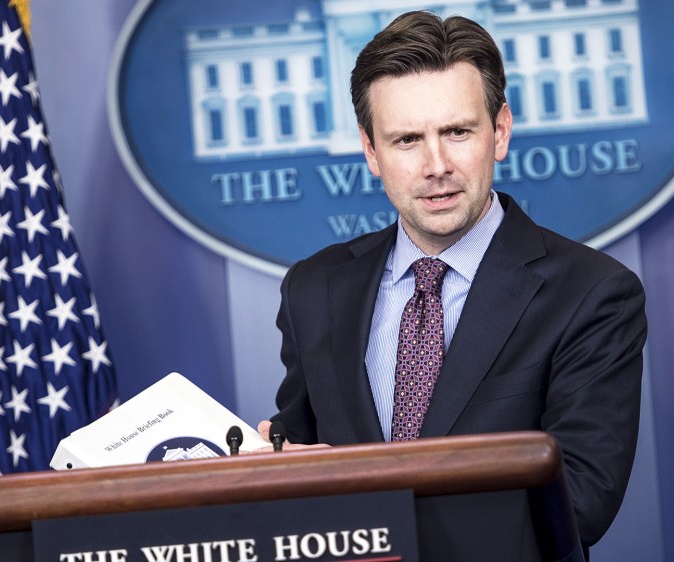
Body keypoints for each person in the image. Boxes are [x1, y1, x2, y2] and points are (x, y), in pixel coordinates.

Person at [258, 10, 647, 555]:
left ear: (500, 131)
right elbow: (299, 453)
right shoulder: (313, 288)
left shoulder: (593, 294)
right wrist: (272, 468)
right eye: (406, 140)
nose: (435, 164)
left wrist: (362, 503)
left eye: (457, 132)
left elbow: (581, 501)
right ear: (371, 151)